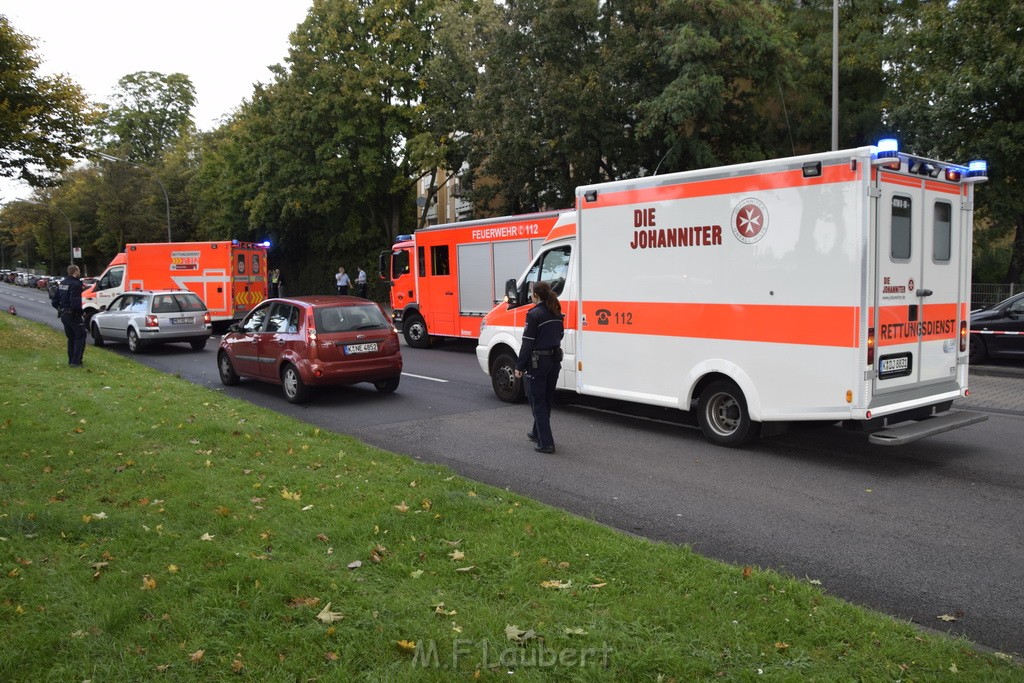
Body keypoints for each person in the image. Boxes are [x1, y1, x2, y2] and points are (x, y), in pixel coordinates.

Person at [514, 281, 565, 454]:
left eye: (531, 293)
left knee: (537, 402)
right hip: (554, 362)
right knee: (546, 399)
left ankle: (546, 443)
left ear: (536, 295)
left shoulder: (534, 314)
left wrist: (519, 366)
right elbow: (560, 335)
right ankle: (537, 432)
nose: (530, 296)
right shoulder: (556, 312)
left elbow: (527, 343)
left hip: (538, 363)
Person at [51, 264, 87, 367]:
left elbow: (54, 301)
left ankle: (71, 360)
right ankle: (76, 362)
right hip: (73, 315)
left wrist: (61, 309)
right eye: (79, 271)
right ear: (75, 272)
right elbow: (75, 302)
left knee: (71, 338)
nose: (80, 273)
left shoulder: (63, 283)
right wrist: (80, 312)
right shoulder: (76, 284)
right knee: (81, 336)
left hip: (64, 315)